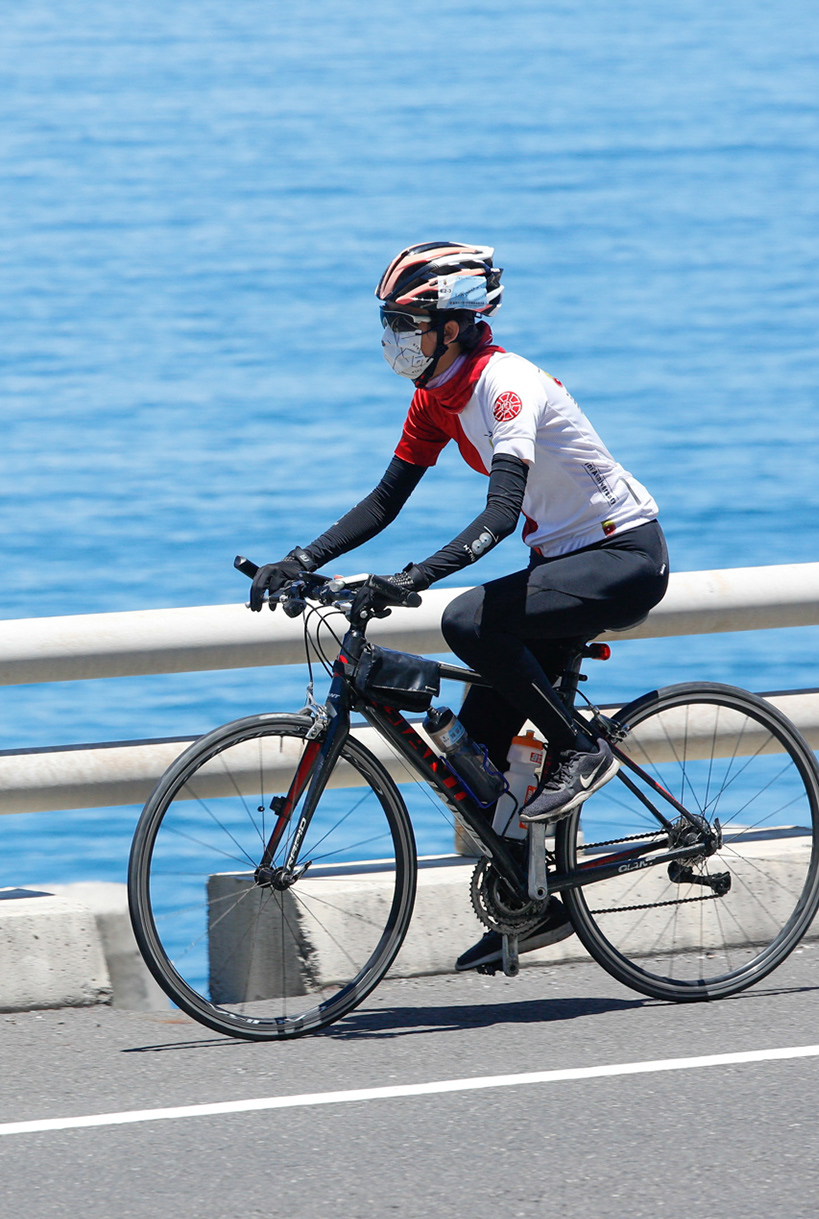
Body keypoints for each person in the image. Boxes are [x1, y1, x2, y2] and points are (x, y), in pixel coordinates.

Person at [246, 241, 669, 970]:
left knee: (468, 621)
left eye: (407, 322)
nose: (393, 337)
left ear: (454, 323)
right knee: (475, 760)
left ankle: (581, 747)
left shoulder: (505, 386)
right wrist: (302, 561)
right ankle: (537, 903)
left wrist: (413, 579)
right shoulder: (435, 397)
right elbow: (385, 500)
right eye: (389, 321)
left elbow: (500, 515)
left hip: (622, 555)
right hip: (562, 561)